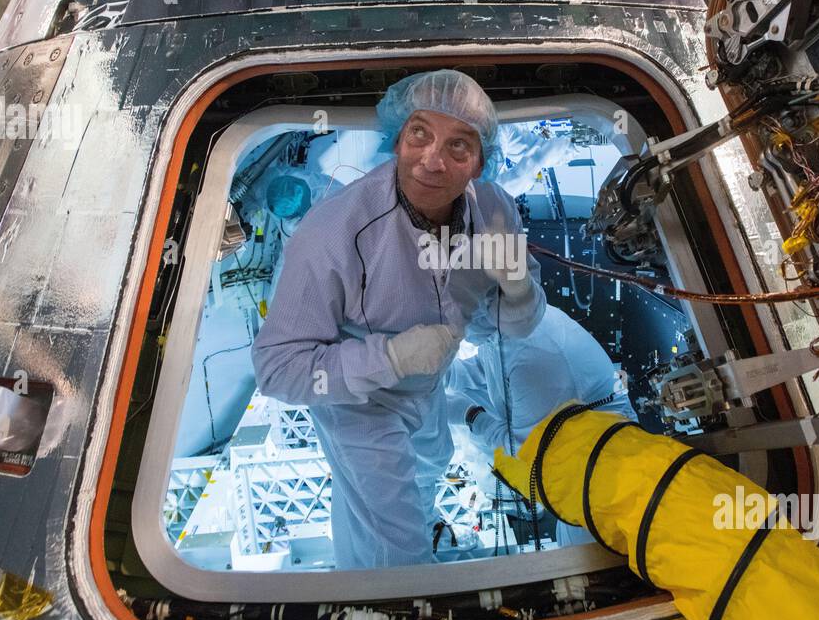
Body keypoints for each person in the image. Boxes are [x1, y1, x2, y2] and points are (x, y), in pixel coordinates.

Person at [253, 70, 546, 570]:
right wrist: (389, 356)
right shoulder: (333, 233)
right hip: (357, 402)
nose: (433, 159)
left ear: (479, 164)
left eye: (459, 146)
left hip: (427, 385)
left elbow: (507, 328)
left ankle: (413, 527)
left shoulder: (493, 210)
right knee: (394, 552)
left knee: (432, 463)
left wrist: (518, 287)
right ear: (396, 137)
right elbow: (277, 369)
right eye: (419, 134)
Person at [445, 305, 638, 546]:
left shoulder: (536, 355)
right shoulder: (503, 319)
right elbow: (489, 365)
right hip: (560, 441)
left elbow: (522, 453)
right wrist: (446, 374)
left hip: (602, 472)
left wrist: (472, 416)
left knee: (578, 553)